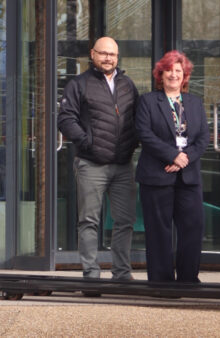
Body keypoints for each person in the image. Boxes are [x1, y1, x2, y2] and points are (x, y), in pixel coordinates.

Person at [57, 36, 138, 281]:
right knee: (89, 221)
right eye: (103, 53)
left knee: (124, 221)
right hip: (91, 164)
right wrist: (87, 143)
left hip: (123, 165)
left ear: (118, 56)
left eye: (112, 54)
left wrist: (134, 143)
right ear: (92, 54)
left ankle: (122, 274)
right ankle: (91, 274)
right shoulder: (79, 84)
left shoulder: (127, 85)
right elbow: (65, 119)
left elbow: (138, 118)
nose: (108, 58)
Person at [135, 50, 210, 282]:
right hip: (156, 176)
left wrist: (183, 159)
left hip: (188, 178)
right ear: (161, 73)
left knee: (193, 227)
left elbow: (204, 138)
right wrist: (172, 156)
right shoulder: (147, 101)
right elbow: (144, 134)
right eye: (169, 70)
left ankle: (188, 279)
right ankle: (161, 281)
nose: (173, 74)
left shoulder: (195, 103)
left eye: (178, 70)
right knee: (159, 231)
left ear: (185, 75)